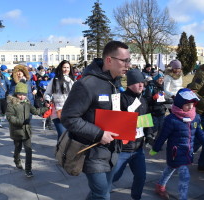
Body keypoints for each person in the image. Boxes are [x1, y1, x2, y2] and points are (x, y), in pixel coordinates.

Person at [61, 41, 130, 200]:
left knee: (100, 192)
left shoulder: (115, 82)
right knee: (102, 195)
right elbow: (68, 117)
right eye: (124, 60)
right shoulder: (86, 84)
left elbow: (111, 111)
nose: (128, 64)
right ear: (109, 60)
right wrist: (99, 134)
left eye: (129, 60)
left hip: (113, 149)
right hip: (92, 152)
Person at [149, 88, 204, 200]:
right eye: (187, 104)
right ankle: (183, 197)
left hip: (188, 151)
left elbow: (200, 133)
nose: (190, 107)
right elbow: (162, 136)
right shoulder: (171, 119)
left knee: (170, 168)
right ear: (180, 104)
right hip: (175, 152)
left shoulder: (195, 117)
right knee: (185, 176)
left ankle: (160, 186)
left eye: (192, 104)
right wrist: (156, 148)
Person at [111, 69, 153, 200]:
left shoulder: (144, 100)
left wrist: (149, 135)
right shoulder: (120, 99)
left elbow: (146, 119)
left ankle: (136, 197)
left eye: (142, 82)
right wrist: (128, 115)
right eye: (137, 82)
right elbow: (114, 123)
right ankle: (96, 195)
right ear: (129, 84)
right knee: (113, 177)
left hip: (138, 149)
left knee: (141, 176)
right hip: (122, 149)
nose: (141, 85)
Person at [6, 82, 48, 178]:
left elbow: (36, 111)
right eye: (20, 94)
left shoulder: (27, 103)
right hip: (16, 131)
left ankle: (28, 169)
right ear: (16, 94)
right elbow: (10, 117)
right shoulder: (11, 104)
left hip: (26, 131)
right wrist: (20, 121)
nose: (22, 97)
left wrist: (45, 108)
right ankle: (16, 160)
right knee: (18, 148)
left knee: (29, 150)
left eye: (24, 95)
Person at [44, 60, 75, 139]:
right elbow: (47, 93)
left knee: (68, 136)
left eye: (68, 67)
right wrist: (47, 100)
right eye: (64, 67)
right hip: (58, 111)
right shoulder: (54, 80)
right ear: (60, 68)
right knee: (62, 134)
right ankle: (60, 150)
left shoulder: (73, 81)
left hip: (70, 111)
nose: (66, 69)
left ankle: (62, 151)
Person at [144, 71, 168, 139]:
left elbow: (162, 100)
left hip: (161, 111)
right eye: (160, 78)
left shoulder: (162, 86)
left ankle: (157, 143)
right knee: (154, 128)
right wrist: (153, 98)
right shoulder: (150, 86)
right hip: (153, 112)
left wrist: (165, 99)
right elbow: (146, 99)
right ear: (156, 78)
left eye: (162, 78)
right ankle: (149, 140)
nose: (162, 79)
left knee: (161, 129)